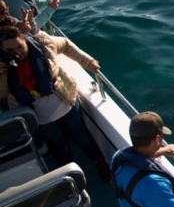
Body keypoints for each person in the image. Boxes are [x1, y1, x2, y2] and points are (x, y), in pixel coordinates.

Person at [0, 23, 110, 180]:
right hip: (40, 118)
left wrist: (87, 61)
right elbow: (2, 96)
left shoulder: (42, 44)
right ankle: (74, 177)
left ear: (24, 39)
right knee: (59, 147)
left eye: (19, 46)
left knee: (82, 136)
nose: (17, 53)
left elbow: (65, 44)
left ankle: (100, 164)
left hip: (66, 103)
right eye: (10, 50)